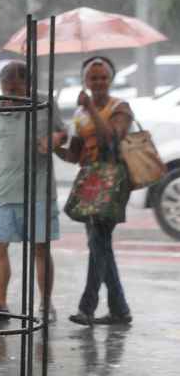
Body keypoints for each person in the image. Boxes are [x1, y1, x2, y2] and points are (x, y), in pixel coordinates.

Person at [55, 56, 134, 326]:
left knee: (98, 243)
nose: (98, 82)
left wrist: (90, 106)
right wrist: (53, 145)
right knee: (100, 245)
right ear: (85, 81)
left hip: (113, 182)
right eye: (93, 78)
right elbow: (75, 156)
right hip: (89, 183)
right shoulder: (79, 115)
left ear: (110, 80)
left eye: (103, 77)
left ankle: (87, 308)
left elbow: (111, 138)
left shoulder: (120, 107)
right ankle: (120, 310)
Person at [0, 61, 68, 322]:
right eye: (7, 87)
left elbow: (63, 132)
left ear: (29, 86)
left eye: (17, 88)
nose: (11, 94)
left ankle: (46, 304)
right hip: (4, 189)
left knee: (40, 248)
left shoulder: (45, 104)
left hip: (39, 190)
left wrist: (54, 140)